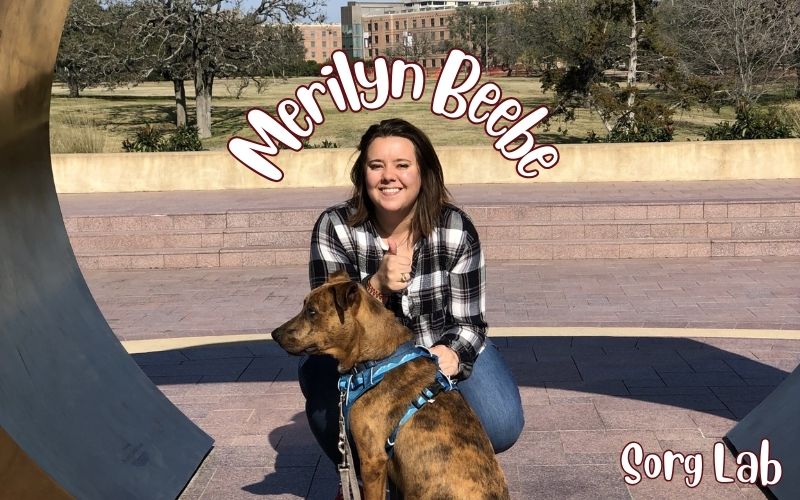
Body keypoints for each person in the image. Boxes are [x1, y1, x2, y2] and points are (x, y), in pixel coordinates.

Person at [298, 118, 524, 472]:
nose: (389, 176)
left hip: (436, 344)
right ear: (363, 175)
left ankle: (430, 468)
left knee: (501, 423)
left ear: (423, 172)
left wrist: (452, 353)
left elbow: (470, 324)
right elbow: (327, 324)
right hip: (360, 360)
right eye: (376, 166)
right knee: (331, 415)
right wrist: (375, 286)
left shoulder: (455, 228)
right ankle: (362, 474)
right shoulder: (335, 226)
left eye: (402, 165)